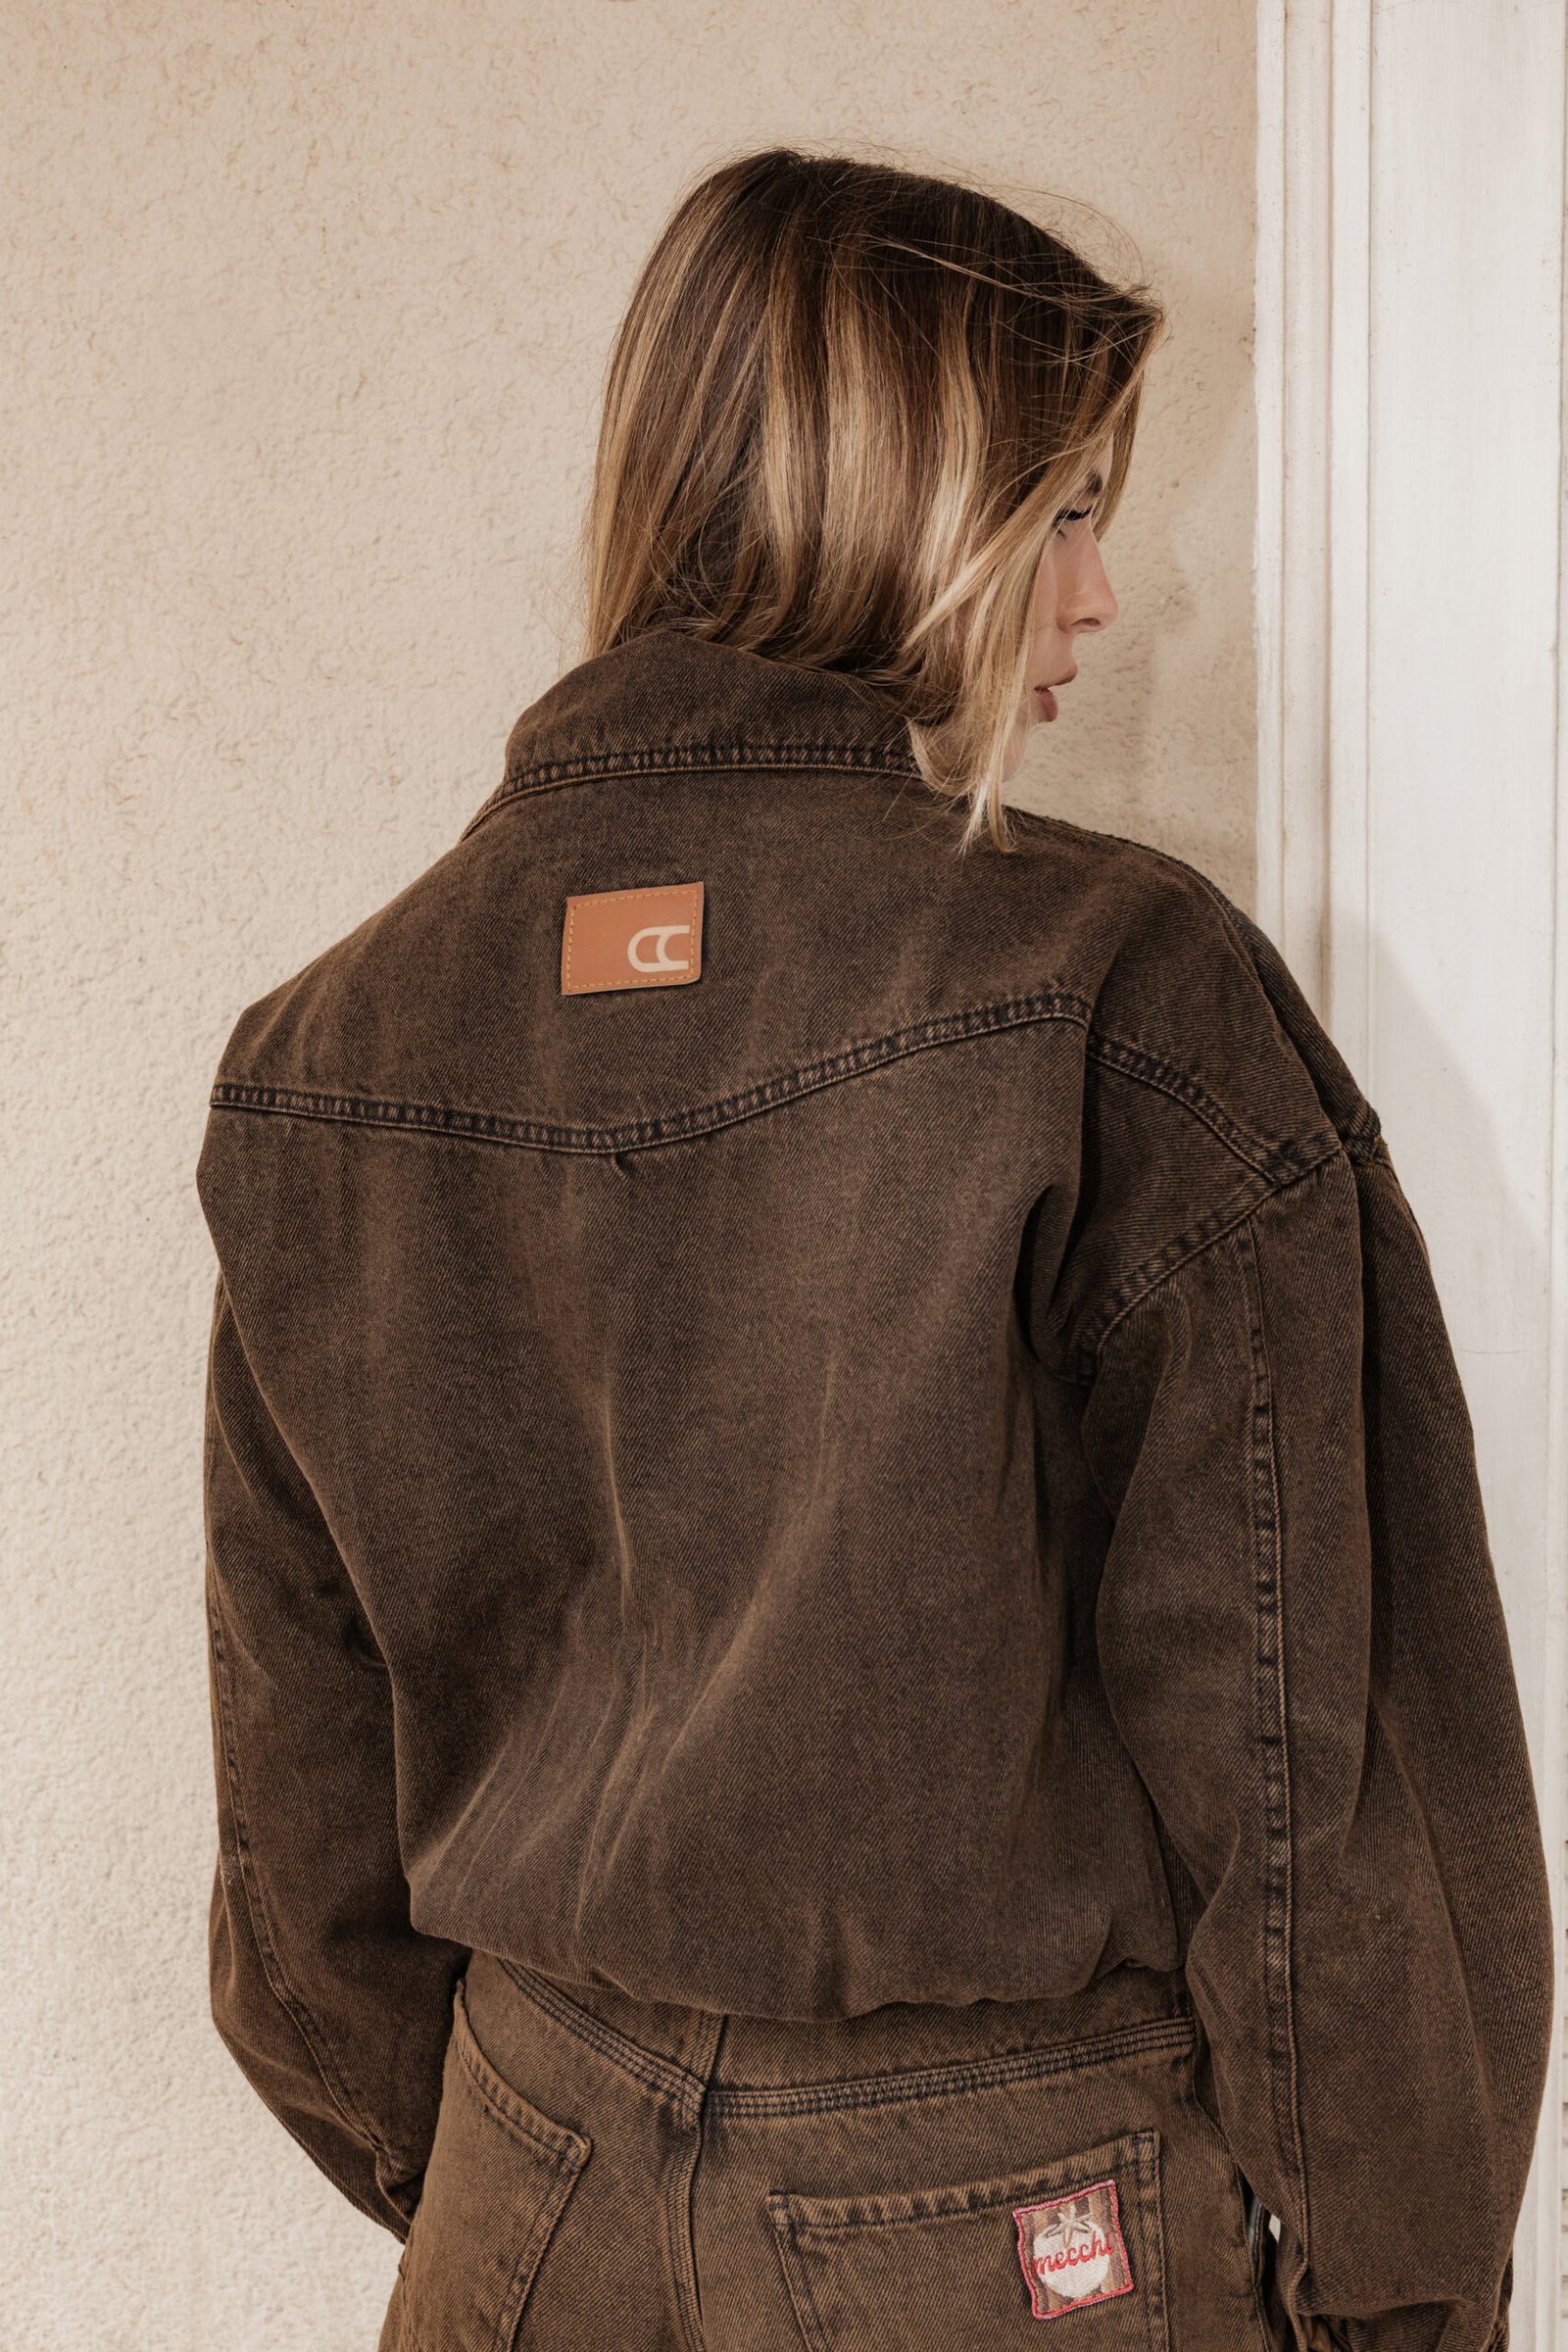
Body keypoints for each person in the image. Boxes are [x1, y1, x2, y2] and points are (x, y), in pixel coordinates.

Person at [195, 147, 1554, 2352]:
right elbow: (1305, 1755)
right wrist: (1399, 2292)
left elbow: (299, 1793)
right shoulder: (1114, 993)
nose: (1100, 597)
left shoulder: (320, 1055)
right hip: (1006, 2226)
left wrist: (500, 2160)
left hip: (528, 2183)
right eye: (1067, 510)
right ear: (899, 500)